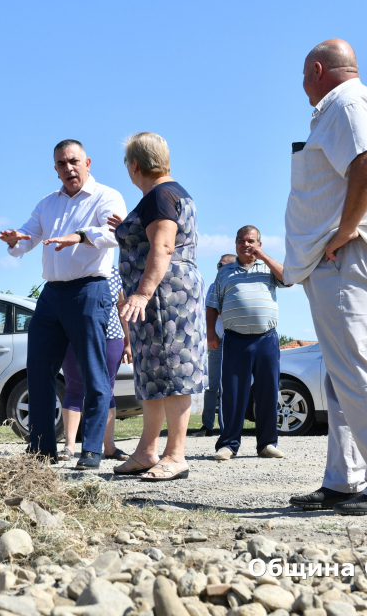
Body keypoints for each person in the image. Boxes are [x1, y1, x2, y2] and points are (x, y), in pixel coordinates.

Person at [286, 39, 367, 515]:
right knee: (342, 376)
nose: (302, 86)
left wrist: (344, 232)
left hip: (348, 259)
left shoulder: (345, 102)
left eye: (303, 76)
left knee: (357, 371)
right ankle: (344, 479)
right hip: (351, 259)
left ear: (317, 70)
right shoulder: (365, 102)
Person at [0, 140, 126, 470]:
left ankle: (92, 450)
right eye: (61, 164)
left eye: (73, 161)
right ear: (55, 169)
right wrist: (16, 240)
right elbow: (28, 234)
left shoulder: (106, 197)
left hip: (89, 290)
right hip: (51, 295)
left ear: (88, 162)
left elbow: (116, 234)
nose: (68, 168)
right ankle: (42, 449)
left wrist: (79, 236)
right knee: (38, 371)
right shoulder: (47, 204)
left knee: (94, 374)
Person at [110, 132, 206, 481]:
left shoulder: (159, 196)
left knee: (172, 370)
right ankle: (147, 450)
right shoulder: (170, 193)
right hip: (163, 297)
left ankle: (175, 454)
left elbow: (163, 247)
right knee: (152, 372)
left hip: (165, 298)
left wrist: (143, 294)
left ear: (135, 165)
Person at [206, 227, 289, 461]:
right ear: (235, 244)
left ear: (259, 243)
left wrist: (263, 256)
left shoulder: (268, 267)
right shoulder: (224, 273)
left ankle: (267, 444)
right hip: (235, 339)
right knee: (232, 393)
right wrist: (211, 334)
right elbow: (212, 306)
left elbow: (288, 278)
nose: (246, 244)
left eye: (251, 241)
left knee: (268, 392)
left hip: (267, 339)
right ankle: (228, 445)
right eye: (241, 241)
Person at [59, 265, 132, 461]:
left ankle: (109, 447)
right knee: (74, 389)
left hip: (112, 337)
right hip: (75, 336)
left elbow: (122, 306)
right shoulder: (71, 267)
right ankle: (69, 447)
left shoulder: (114, 271)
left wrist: (128, 341)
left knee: (106, 390)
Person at [191, 254, 235, 438]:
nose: (219, 268)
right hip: (217, 341)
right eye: (218, 265)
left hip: (236, 341)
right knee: (212, 386)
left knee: (232, 386)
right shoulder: (212, 287)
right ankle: (207, 426)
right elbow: (209, 311)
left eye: (223, 265)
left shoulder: (237, 286)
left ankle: (229, 427)